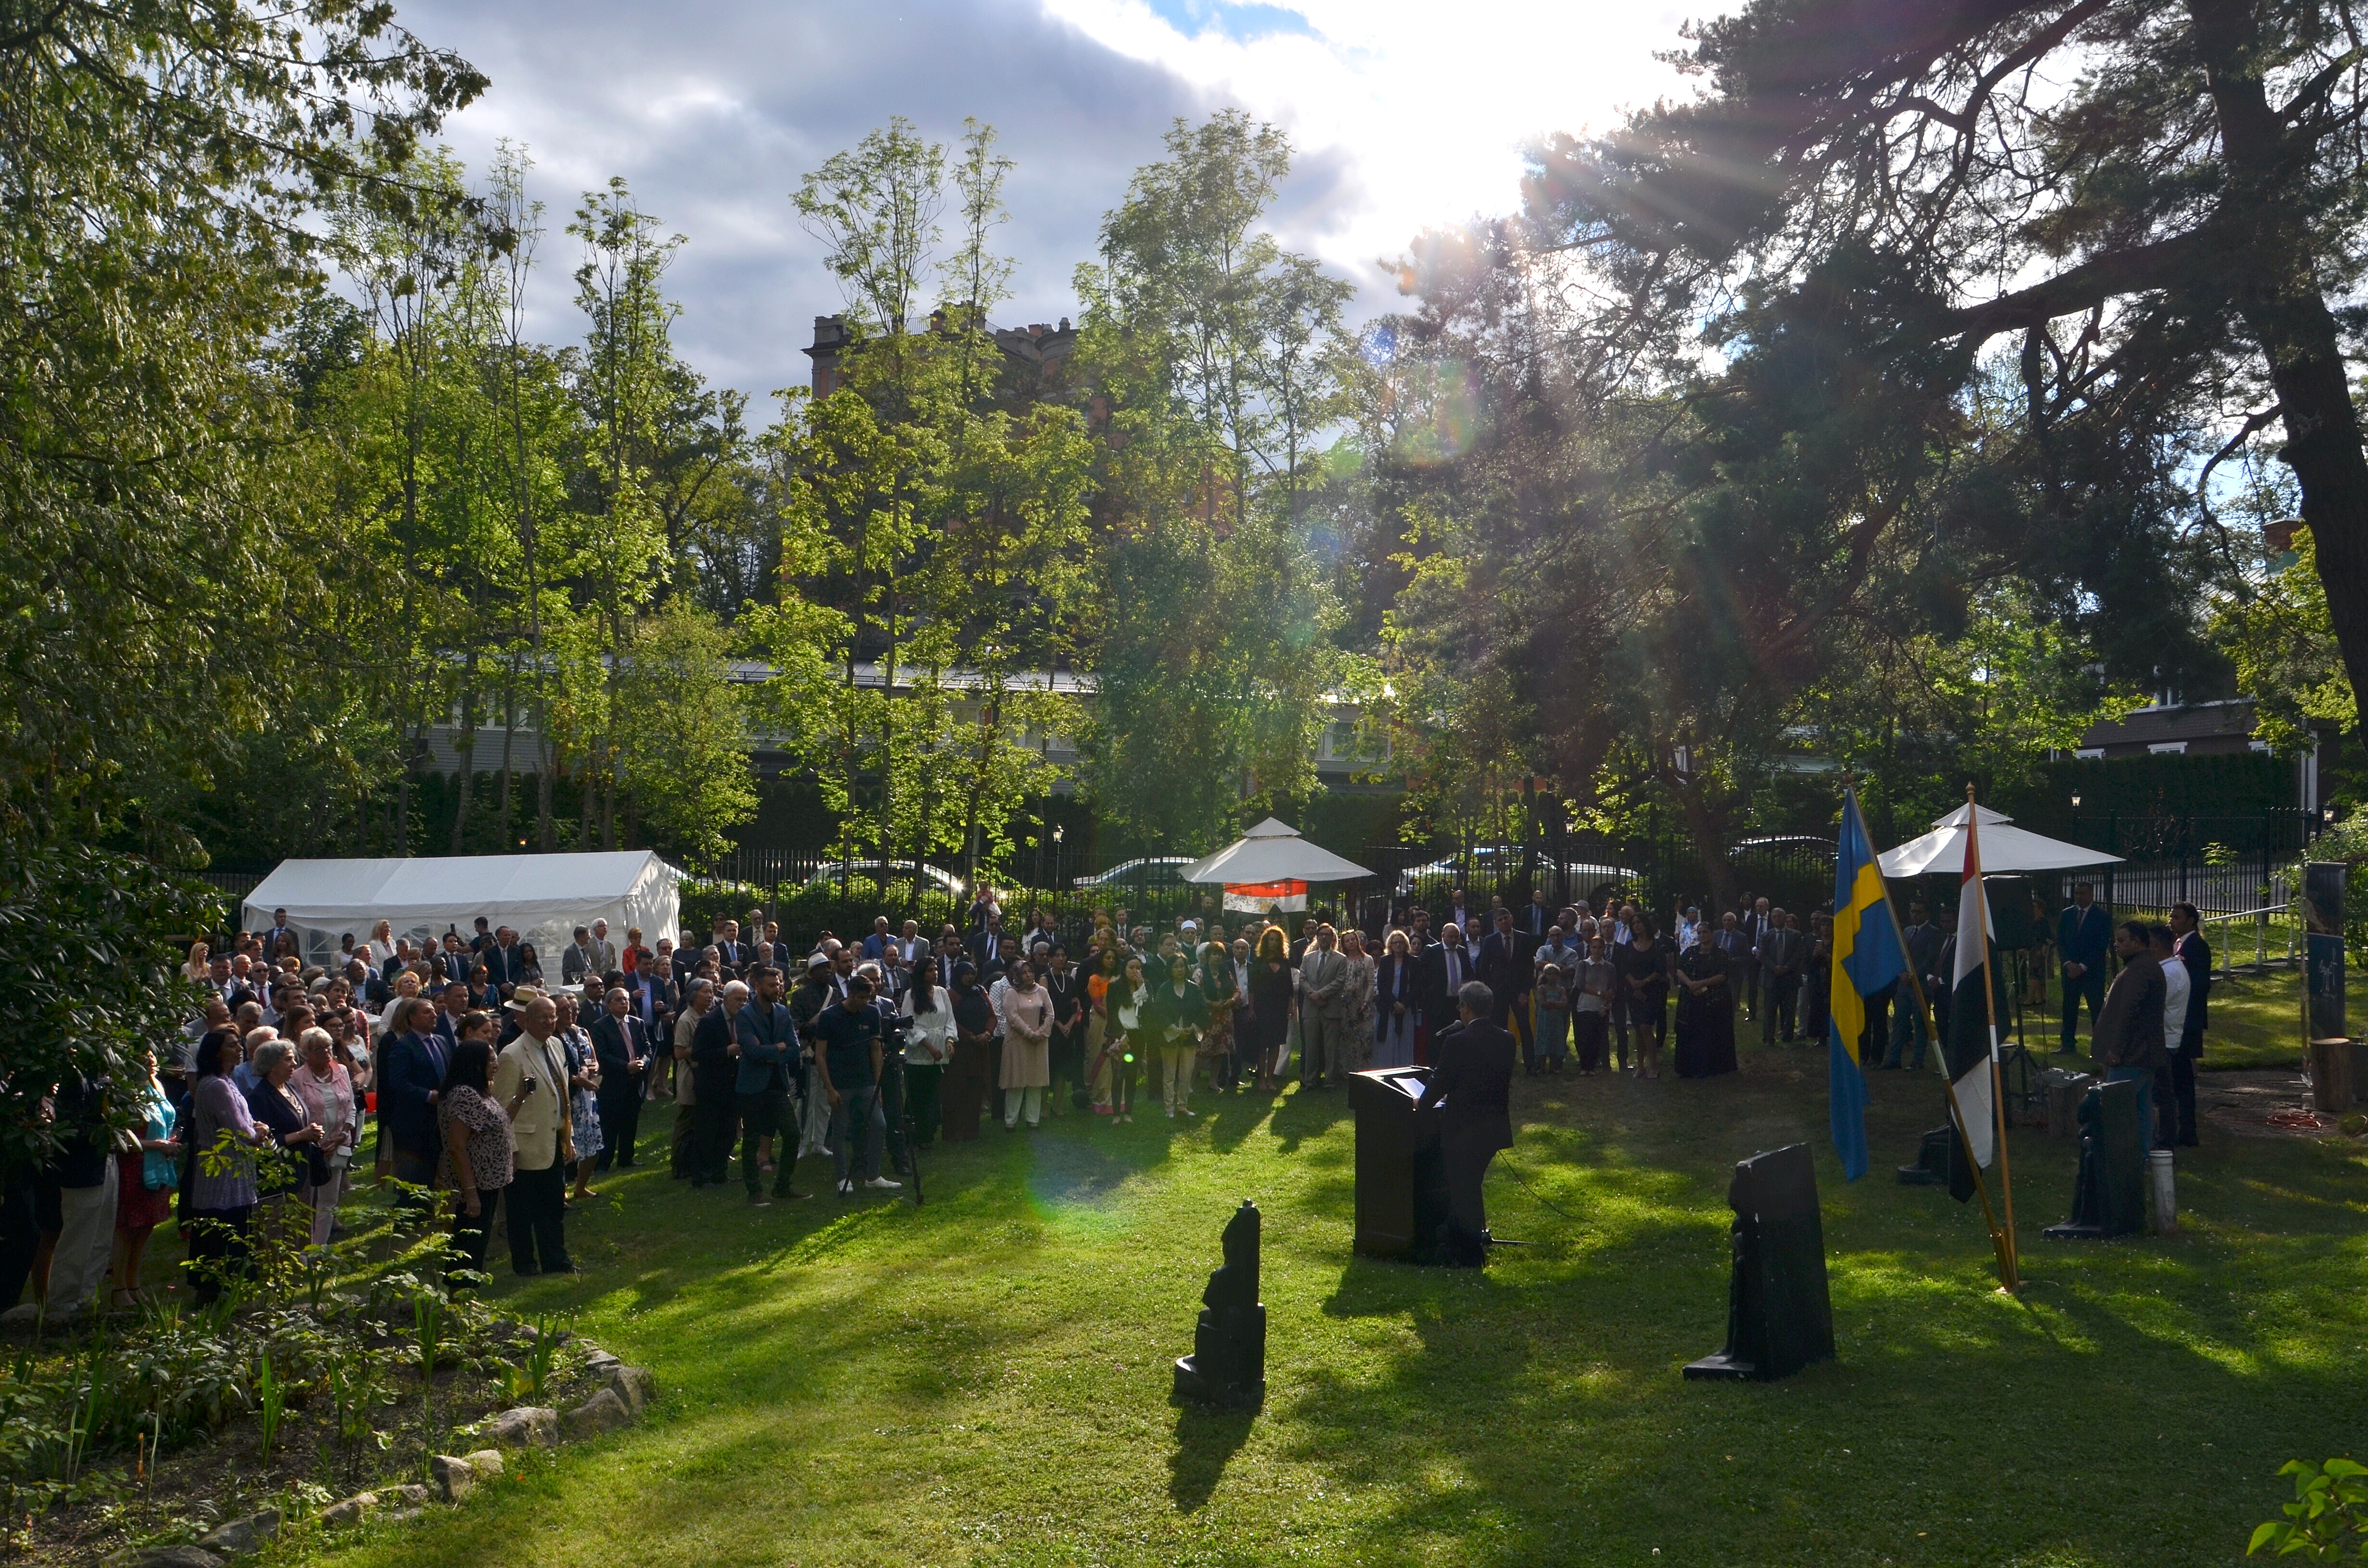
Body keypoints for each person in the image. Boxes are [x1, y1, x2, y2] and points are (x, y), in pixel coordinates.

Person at [1418, 981, 1516, 1267]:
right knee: (1471, 1185)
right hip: (1493, 1128)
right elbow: (1487, 1080)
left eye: (1460, 1006)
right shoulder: (1507, 1039)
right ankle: (1461, 1239)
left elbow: (1440, 1083)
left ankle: (1470, 1254)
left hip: (1463, 1129)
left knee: (1464, 1190)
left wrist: (1421, 1104)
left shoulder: (1457, 1042)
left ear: (1466, 1009)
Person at [436, 1026, 528, 1288]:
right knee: (468, 1243)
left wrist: (520, 1097)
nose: (496, 1065)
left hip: (489, 1182)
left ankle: (467, 1294)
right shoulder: (464, 1096)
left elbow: (500, 1122)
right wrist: (471, 1193)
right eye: (490, 1061)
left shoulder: (480, 1092)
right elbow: (457, 1146)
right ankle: (459, 1295)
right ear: (474, 1065)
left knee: (478, 1242)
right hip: (475, 1184)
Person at [492, 992, 575, 1275]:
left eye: (553, 1017)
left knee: (553, 1209)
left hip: (552, 1140)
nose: (550, 1022)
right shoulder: (512, 1055)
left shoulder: (557, 1045)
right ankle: (525, 1264)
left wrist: (567, 1136)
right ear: (526, 1021)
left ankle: (556, 1260)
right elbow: (503, 1111)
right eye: (543, 1018)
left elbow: (561, 1094)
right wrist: (512, 1150)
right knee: (522, 1213)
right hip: (525, 1149)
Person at [184, 1028, 269, 1304]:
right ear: (216, 1052)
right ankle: (215, 1287)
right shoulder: (216, 1086)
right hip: (222, 1168)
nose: (239, 1049)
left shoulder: (227, 1081)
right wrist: (259, 1133)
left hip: (235, 1164)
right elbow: (236, 1129)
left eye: (238, 1044)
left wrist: (254, 1126)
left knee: (236, 1222)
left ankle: (233, 1285)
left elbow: (243, 1119)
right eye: (232, 1045)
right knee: (224, 1224)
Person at [811, 973, 898, 1195]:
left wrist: (878, 1084)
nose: (864, 1002)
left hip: (866, 1081)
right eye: (860, 998)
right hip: (841, 1083)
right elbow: (820, 1054)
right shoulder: (830, 1016)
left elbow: (876, 1049)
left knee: (879, 1125)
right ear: (850, 994)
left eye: (867, 998)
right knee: (841, 1131)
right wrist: (830, 1088)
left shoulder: (872, 1013)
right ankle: (842, 1178)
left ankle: (873, 1176)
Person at [735, 965, 812, 1204]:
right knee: (752, 1140)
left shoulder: (782, 1012)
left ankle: (782, 1186)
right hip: (753, 1087)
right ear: (757, 987)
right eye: (772, 985)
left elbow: (794, 1048)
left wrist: (771, 1052)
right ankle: (754, 1191)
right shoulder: (745, 1015)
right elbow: (752, 1051)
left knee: (792, 1134)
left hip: (777, 1084)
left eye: (778, 984)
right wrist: (777, 1048)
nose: (777, 989)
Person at [111, 1050, 180, 1311]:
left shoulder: (157, 1085)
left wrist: (169, 1142)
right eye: (143, 1056)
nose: (150, 1059)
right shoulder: (124, 1093)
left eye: (151, 1055)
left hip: (159, 1164)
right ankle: (118, 1288)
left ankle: (134, 1284)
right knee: (128, 1228)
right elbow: (120, 1139)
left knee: (146, 1228)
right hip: (134, 1167)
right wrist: (157, 1145)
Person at [243, 1039, 327, 1252]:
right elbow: (262, 1141)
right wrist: (302, 1135)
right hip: (279, 1173)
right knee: (280, 1228)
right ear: (271, 1065)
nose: (294, 1064)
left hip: (303, 1167)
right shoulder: (259, 1097)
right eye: (288, 1060)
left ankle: (303, 1259)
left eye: (294, 1059)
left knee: (304, 1222)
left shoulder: (289, 1087)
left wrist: (310, 1131)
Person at [2091, 919, 2167, 1148]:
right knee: (2142, 1109)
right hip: (2144, 1053)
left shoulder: (2140, 969)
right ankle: (2141, 1155)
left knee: (2117, 1110)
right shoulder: (2143, 966)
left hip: (2132, 1055)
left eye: (2122, 940)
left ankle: (2122, 1157)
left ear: (2137, 942)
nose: (2116, 945)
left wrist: (2116, 1049)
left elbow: (2129, 1012)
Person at [375, 997, 448, 1203]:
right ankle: (408, 1217)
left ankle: (427, 1213)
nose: (433, 1015)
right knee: (411, 1179)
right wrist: (428, 1095)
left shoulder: (441, 1042)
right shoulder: (403, 1046)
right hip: (412, 1124)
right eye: (426, 1012)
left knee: (431, 1175)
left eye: (433, 1011)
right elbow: (398, 1083)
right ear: (412, 1019)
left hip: (438, 1122)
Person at [291, 1028, 357, 1247]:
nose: (327, 1051)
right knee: (307, 1199)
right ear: (307, 1053)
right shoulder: (297, 1078)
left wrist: (342, 1136)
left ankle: (320, 1246)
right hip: (310, 1147)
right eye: (320, 1048)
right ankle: (303, 1247)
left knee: (329, 1200)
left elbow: (351, 1107)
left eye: (328, 1046)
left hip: (337, 1144)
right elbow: (296, 1113)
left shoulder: (342, 1071)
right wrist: (316, 1142)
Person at [689, 980, 745, 1188]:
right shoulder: (710, 1021)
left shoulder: (743, 1020)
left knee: (728, 1132)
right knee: (707, 1133)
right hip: (711, 1087)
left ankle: (720, 1172)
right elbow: (698, 1054)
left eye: (745, 1000)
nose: (742, 1004)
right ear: (726, 999)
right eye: (738, 1000)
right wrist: (725, 1052)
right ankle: (701, 1176)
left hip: (733, 1086)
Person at [591, 986, 652, 1171]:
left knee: (630, 1122)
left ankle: (626, 1159)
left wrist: (642, 1062)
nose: (624, 1003)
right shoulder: (600, 1026)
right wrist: (626, 1066)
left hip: (635, 1081)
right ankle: (604, 1163)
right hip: (614, 1083)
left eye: (626, 999)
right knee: (610, 1125)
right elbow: (603, 1055)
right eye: (619, 1000)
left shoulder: (637, 1023)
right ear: (609, 1005)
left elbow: (647, 1049)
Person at [2168, 902, 2210, 1147]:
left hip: (2187, 1020)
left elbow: (2199, 986)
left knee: (2183, 1076)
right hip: (2178, 1019)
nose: (2172, 921)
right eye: (2171, 917)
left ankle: (2187, 1129)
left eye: (2177, 917)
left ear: (2191, 921)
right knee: (2177, 1075)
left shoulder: (2197, 947)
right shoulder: (2178, 944)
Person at [1146, 953, 1208, 1118]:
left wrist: (1192, 1027)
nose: (1179, 970)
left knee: (1187, 1074)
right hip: (1169, 1036)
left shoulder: (1194, 989)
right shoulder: (1164, 989)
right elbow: (1159, 1012)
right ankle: (1169, 1108)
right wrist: (1172, 1028)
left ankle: (1183, 1106)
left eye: (1182, 966)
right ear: (1170, 969)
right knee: (1169, 1075)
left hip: (1190, 1035)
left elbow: (1203, 1010)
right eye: (1176, 967)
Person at [555, 993, 603, 1202]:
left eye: (572, 1009)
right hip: (568, 1097)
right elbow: (557, 1070)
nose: (570, 1012)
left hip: (586, 1097)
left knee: (593, 1143)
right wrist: (578, 1079)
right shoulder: (553, 1038)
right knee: (566, 1146)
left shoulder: (575, 1032)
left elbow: (587, 1059)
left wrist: (588, 1070)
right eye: (564, 1009)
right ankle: (561, 1192)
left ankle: (581, 1187)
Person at [1477, 910, 1537, 1073]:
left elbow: (1529, 967)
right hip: (1498, 992)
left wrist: (1525, 991)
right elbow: (1484, 967)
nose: (1504, 922)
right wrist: (1491, 988)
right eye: (1500, 920)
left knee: (1525, 1027)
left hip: (1519, 991)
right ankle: (1501, 1064)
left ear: (1512, 919)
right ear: (1496, 923)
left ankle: (1530, 1064)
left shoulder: (1524, 938)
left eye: (1506, 919)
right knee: (1499, 1028)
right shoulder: (1490, 941)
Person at [901, 964, 953, 1146]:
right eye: (930, 970)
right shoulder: (911, 995)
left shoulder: (942, 993)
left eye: (936, 970)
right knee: (918, 1095)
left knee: (933, 1094)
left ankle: (928, 1134)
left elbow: (949, 1019)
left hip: (939, 1051)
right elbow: (909, 1024)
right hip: (919, 1053)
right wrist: (929, 1046)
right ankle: (915, 1134)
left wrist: (950, 1040)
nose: (935, 973)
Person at [1672, 932, 1737, 1077]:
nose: (1703, 935)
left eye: (1706, 932)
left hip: (1714, 1000)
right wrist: (1691, 985)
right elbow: (1680, 970)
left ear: (1712, 934)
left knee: (1710, 1032)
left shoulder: (1721, 954)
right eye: (1700, 933)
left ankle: (1712, 1067)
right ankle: (1688, 1067)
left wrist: (1701, 984)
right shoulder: (1690, 952)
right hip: (1691, 998)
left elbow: (1723, 975)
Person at [999, 960, 1054, 1129]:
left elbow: (1050, 1014)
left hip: (1039, 1042)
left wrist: (1041, 1033)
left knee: (1036, 1081)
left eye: (1030, 971)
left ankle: (1033, 1119)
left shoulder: (1042, 991)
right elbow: (1013, 1017)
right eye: (1024, 973)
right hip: (1018, 1042)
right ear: (1017, 975)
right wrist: (1030, 1034)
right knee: (1016, 1080)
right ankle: (1011, 1120)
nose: (1029, 975)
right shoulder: (1012, 993)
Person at [2058, 880, 2112, 1054]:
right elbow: (2061, 942)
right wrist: (2068, 964)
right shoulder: (2067, 915)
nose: (2079, 897)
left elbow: (2101, 946)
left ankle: (2100, 1047)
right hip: (2070, 971)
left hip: (2092, 972)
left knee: (2096, 1010)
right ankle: (2067, 1044)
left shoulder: (2102, 917)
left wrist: (2083, 966)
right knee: (2069, 1008)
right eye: (2076, 893)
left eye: (2083, 893)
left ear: (2092, 895)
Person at [944, 965, 995, 1142]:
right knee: (958, 1089)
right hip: (960, 1049)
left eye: (973, 973)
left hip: (980, 1047)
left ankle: (972, 1130)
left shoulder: (980, 992)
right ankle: (955, 1131)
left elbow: (992, 1015)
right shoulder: (952, 994)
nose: (970, 977)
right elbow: (950, 1019)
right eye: (966, 974)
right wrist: (969, 1036)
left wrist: (987, 1033)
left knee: (976, 1087)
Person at [1297, 925, 1351, 1090]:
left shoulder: (1340, 959)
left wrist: (1321, 994)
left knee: (1330, 1047)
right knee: (1311, 1047)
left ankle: (1330, 1080)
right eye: (1321, 935)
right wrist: (1313, 995)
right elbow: (1302, 979)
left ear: (1333, 938)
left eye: (1328, 935)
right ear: (1317, 937)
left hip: (1331, 1008)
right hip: (1311, 1008)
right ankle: (1310, 1080)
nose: (1324, 938)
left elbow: (1340, 981)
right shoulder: (1308, 958)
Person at [1887, 901, 1941, 1066]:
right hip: (1904, 985)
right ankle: (1894, 1059)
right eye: (1912, 911)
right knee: (1899, 1022)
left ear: (1927, 914)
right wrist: (1902, 973)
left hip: (1921, 985)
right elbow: (1901, 954)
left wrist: (1914, 976)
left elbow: (1930, 960)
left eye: (1919, 912)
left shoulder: (1934, 933)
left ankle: (1918, 1060)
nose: (1915, 915)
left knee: (1920, 1024)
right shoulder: (1908, 931)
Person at [670, 979, 714, 1176]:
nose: (710, 996)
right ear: (694, 995)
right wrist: (705, 1050)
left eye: (711, 992)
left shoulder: (709, 1016)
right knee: (686, 1122)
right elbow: (679, 1052)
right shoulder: (686, 1020)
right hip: (690, 1075)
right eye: (706, 992)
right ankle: (679, 1164)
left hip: (707, 1075)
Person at [1246, 927, 1296, 1091]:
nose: (1273, 943)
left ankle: (1270, 1079)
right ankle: (1261, 1079)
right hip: (1261, 1007)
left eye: (1276, 940)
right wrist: (1252, 1009)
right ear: (1266, 942)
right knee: (1262, 1045)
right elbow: (1252, 988)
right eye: (1271, 940)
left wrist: (1290, 1007)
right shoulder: (1258, 962)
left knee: (1276, 1044)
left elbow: (1289, 987)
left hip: (1280, 1008)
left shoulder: (1285, 962)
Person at [1621, 917, 1671, 1078]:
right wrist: (1634, 983)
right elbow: (1624, 968)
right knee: (1638, 1028)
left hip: (1652, 991)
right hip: (1633, 992)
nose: (1636, 926)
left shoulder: (1657, 945)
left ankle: (1654, 1066)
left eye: (1639, 923)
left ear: (1646, 925)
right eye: (1633, 924)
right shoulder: (1629, 946)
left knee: (1646, 1027)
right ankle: (1641, 1066)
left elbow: (1661, 969)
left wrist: (1645, 982)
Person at [1756, 908, 1805, 1045]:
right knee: (1770, 1010)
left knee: (1790, 1009)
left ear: (1785, 918)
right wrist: (1774, 967)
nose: (1777, 919)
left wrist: (1787, 967)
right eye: (1774, 917)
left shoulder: (1795, 935)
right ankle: (1768, 1038)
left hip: (1790, 977)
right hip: (1771, 978)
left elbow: (1798, 954)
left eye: (1779, 916)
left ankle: (1788, 1037)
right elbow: (1763, 955)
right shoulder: (1766, 936)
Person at [1373, 930, 1419, 1070]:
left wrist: (1403, 1004)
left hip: (1406, 1007)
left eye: (1401, 943)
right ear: (1390, 945)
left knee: (1404, 1041)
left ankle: (1403, 1071)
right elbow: (1382, 985)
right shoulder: (1385, 961)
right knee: (1388, 1041)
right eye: (1395, 943)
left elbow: (1417, 986)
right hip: (1388, 1006)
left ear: (1406, 944)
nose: (1398, 945)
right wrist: (1395, 1003)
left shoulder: (1414, 962)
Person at [1338, 929, 1376, 1080]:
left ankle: (1364, 1072)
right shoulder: (1342, 960)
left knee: (1364, 1039)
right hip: (1345, 1006)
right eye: (1347, 941)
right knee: (1346, 1039)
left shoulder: (1367, 959)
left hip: (1363, 1006)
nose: (1351, 943)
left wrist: (1366, 1002)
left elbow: (1371, 983)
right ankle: (1346, 1073)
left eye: (1353, 940)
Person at [1574, 935, 1615, 1074]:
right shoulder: (1583, 965)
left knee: (1598, 1038)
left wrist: (1604, 1004)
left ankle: (1593, 1066)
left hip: (1602, 1007)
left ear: (1604, 949)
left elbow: (1612, 988)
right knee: (1585, 1037)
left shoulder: (1609, 967)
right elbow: (1580, 984)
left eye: (1600, 947)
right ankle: (1584, 1066)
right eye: (1594, 947)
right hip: (1585, 1005)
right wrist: (1600, 993)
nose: (1597, 950)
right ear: (1590, 949)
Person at [1533, 962, 1572, 1073]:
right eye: (1549, 974)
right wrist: (1556, 1004)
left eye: (1554, 974)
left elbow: (1564, 1003)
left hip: (1557, 1019)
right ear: (1545, 975)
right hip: (1545, 1018)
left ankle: (1554, 1067)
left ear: (1558, 976)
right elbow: (1543, 1003)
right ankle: (1542, 1066)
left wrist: (1553, 1003)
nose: (1552, 977)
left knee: (1555, 1039)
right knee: (1544, 1039)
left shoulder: (1561, 989)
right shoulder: (1542, 988)